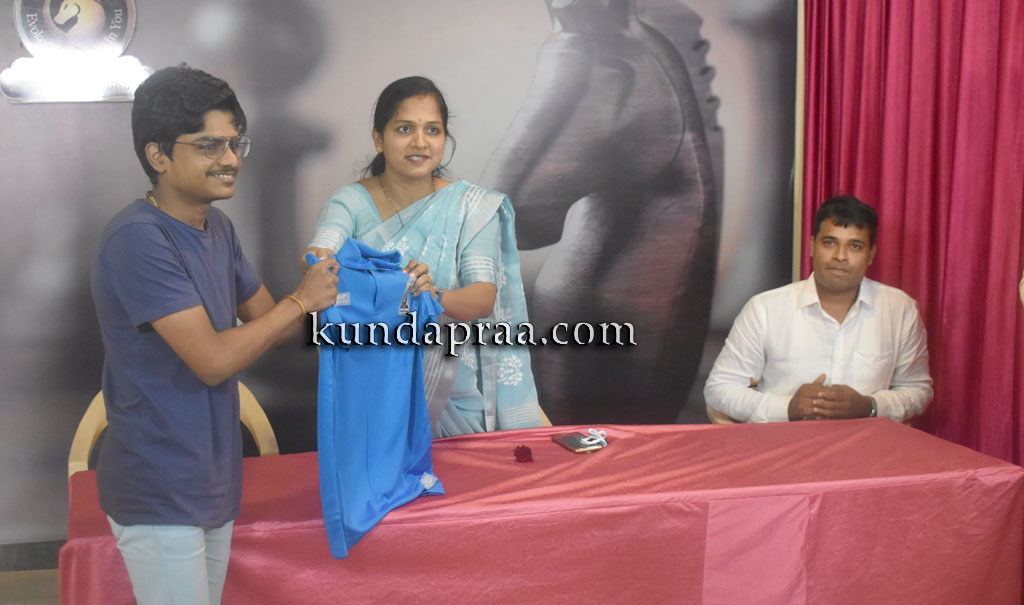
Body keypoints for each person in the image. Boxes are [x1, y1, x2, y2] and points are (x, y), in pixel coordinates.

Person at [91, 65, 339, 604]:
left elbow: (271, 322)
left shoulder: (216, 227)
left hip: (212, 481)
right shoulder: (138, 239)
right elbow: (213, 361)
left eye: (235, 143)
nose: (231, 159)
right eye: (209, 145)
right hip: (159, 488)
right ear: (158, 155)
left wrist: (343, 283)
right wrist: (302, 299)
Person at [303, 76, 542, 437]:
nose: (419, 142)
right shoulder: (349, 202)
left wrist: (433, 295)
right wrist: (318, 258)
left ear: (445, 138)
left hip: (452, 396)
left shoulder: (469, 208)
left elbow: (482, 298)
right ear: (378, 138)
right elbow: (323, 248)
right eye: (404, 129)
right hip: (372, 392)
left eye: (432, 130)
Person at [703, 195, 933, 423]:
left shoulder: (899, 310)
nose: (840, 256)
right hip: (784, 441)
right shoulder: (765, 309)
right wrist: (788, 408)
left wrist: (869, 406)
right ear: (812, 246)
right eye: (830, 243)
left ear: (871, 254)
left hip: (868, 442)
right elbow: (719, 388)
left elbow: (918, 390)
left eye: (855, 246)